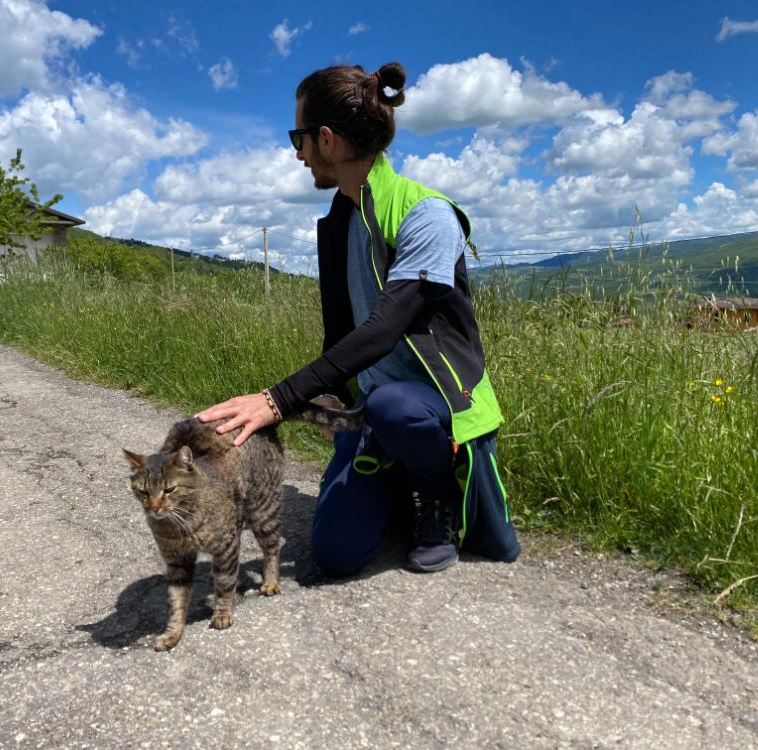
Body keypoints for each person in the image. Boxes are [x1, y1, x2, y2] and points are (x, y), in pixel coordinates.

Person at [196, 62, 520, 576]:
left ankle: (437, 497)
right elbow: (343, 335)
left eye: (298, 138)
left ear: (327, 140)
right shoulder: (341, 221)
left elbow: (385, 329)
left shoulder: (426, 215)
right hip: (374, 413)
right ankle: (394, 478)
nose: (297, 153)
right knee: (336, 555)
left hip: (439, 408)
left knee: (396, 405)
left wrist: (278, 400)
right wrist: (337, 399)